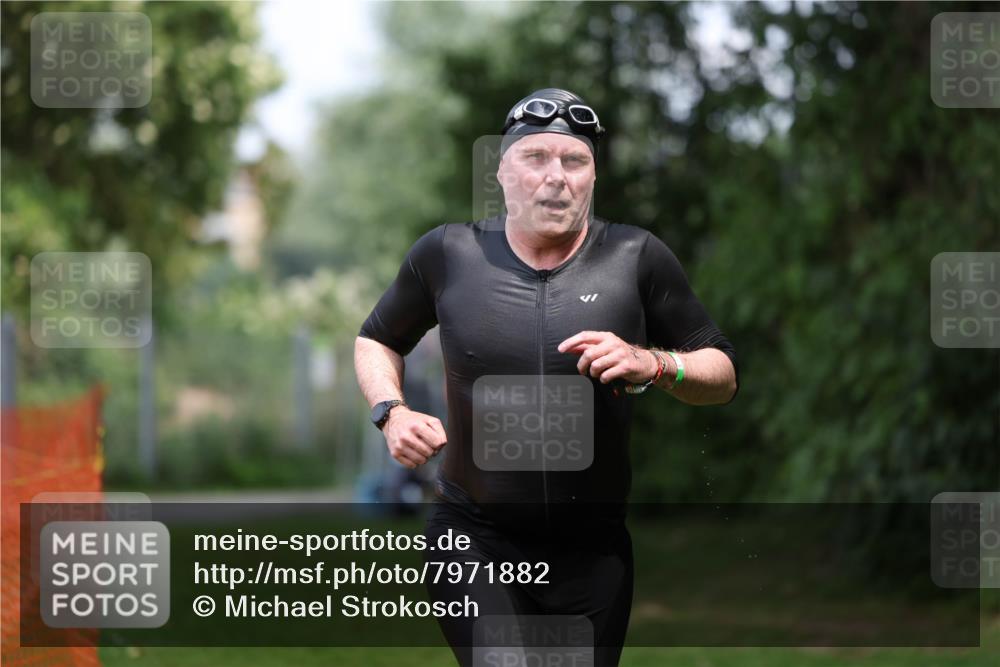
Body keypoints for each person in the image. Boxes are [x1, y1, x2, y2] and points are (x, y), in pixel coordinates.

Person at [354, 88, 738, 667]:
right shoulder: (449, 254)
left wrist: (655, 363)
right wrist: (392, 411)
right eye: (535, 158)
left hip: (592, 553)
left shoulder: (636, 257)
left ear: (592, 177)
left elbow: (723, 374)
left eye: (574, 160)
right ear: (503, 171)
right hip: (473, 538)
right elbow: (376, 338)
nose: (555, 176)